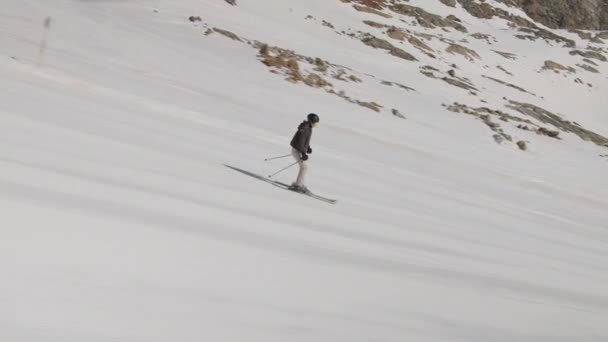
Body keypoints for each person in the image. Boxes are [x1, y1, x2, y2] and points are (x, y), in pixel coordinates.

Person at [289, 113, 319, 193]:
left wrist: (307, 148)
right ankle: (298, 185)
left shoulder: (308, 127)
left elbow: (305, 140)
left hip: (298, 150)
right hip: (297, 150)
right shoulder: (305, 128)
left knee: (304, 168)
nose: (316, 125)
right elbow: (301, 141)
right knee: (304, 168)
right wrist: (303, 153)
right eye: (315, 123)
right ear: (311, 121)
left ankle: (299, 184)